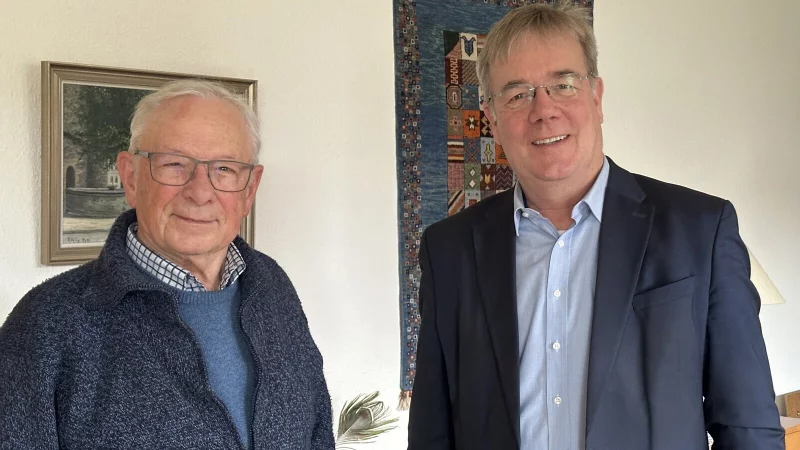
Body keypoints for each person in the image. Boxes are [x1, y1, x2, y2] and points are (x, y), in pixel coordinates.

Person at [407, 2, 783, 449]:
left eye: (563, 84)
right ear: (491, 117)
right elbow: (432, 432)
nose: (543, 110)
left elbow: (748, 428)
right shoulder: (448, 251)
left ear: (597, 96)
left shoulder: (701, 230)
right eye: (517, 94)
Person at [0, 80, 334, 449]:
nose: (201, 191)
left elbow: (316, 428)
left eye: (224, 169)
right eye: (174, 164)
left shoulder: (272, 285)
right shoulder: (48, 322)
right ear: (130, 176)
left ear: (250, 189)